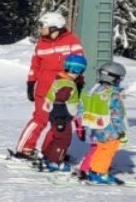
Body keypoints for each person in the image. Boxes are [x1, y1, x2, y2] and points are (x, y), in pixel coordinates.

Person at [12, 11, 84, 160]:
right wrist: (31, 82)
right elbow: (35, 64)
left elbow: (79, 63)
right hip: (45, 89)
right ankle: (24, 148)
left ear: (54, 27)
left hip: (64, 88)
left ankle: (51, 151)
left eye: (43, 26)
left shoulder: (71, 40)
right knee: (41, 118)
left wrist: (78, 83)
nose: (41, 29)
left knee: (60, 121)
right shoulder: (42, 43)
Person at [79, 61, 129, 184]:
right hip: (110, 128)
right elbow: (116, 115)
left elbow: (82, 107)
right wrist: (121, 131)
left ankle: (93, 170)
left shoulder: (93, 91)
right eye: (119, 79)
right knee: (108, 150)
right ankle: (99, 173)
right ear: (114, 78)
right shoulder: (113, 95)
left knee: (100, 148)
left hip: (96, 126)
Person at [38, 53, 88, 172]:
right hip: (62, 117)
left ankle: (49, 157)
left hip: (58, 116)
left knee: (57, 138)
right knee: (63, 140)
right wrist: (60, 119)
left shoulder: (61, 80)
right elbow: (59, 101)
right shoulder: (67, 85)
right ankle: (55, 162)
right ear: (78, 70)